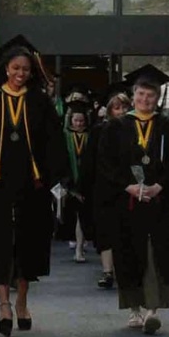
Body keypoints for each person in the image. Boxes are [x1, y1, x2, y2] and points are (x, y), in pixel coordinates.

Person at [0, 37, 67, 337]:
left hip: (31, 185)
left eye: (26, 70)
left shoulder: (39, 102)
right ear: (5, 69)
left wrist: (60, 179)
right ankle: (4, 304)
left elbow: (53, 143)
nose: (20, 74)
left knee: (27, 244)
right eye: (15, 68)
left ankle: (22, 301)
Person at [97, 65, 169, 335]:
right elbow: (106, 164)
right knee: (128, 253)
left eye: (150, 95)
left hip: (160, 202)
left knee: (155, 254)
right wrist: (127, 187)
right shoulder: (116, 127)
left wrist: (161, 186)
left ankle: (153, 310)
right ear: (132, 94)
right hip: (128, 203)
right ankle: (134, 309)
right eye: (140, 94)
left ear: (158, 98)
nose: (144, 100)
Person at [85, 90, 132, 289]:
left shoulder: (134, 129)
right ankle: (107, 272)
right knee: (105, 230)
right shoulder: (98, 131)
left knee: (125, 230)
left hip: (127, 187)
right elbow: (89, 161)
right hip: (103, 187)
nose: (121, 111)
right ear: (110, 110)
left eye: (124, 107)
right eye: (117, 107)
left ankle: (124, 270)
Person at [61, 102, 93, 263]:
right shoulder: (65, 136)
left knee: (83, 216)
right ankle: (78, 246)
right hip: (70, 181)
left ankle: (80, 247)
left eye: (81, 121)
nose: (79, 124)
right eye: (76, 120)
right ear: (71, 120)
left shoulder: (91, 135)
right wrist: (67, 183)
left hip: (87, 181)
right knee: (74, 215)